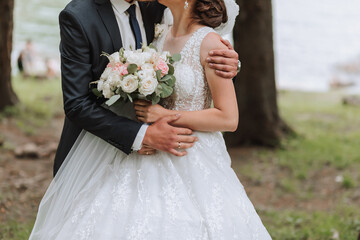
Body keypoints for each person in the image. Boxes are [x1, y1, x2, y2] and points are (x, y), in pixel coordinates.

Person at [29, 0, 271, 239]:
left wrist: (231, 62)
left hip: (188, 150)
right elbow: (76, 103)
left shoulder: (154, 9)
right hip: (109, 144)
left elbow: (202, 52)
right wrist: (142, 135)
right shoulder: (80, 16)